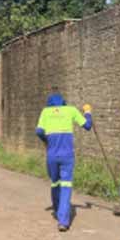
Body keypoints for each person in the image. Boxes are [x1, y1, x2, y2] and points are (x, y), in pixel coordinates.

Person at [35, 93, 92, 231]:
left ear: (50, 103)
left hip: (52, 155)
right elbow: (88, 126)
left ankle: (57, 208)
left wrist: (46, 141)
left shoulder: (46, 112)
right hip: (67, 156)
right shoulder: (71, 110)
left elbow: (38, 131)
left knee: (55, 182)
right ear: (63, 103)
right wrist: (88, 112)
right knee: (66, 186)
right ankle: (63, 221)